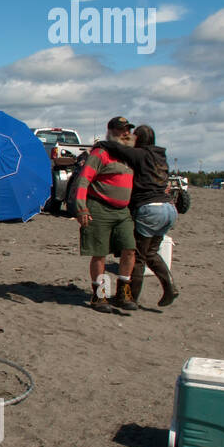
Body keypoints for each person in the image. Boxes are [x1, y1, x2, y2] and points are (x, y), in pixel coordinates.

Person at [100, 125, 178, 307]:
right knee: (151, 253)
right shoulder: (161, 157)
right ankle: (170, 287)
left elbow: (119, 149)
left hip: (150, 209)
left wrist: (103, 143)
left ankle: (129, 297)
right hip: (168, 208)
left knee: (137, 257)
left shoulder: (142, 155)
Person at [71, 117, 139, 312]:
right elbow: (83, 181)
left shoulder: (128, 156)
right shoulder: (101, 153)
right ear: (110, 131)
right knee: (99, 253)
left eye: (127, 130)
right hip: (99, 208)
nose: (125, 133)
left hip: (123, 211)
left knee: (129, 249)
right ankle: (99, 295)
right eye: (121, 130)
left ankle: (122, 293)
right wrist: (81, 208)